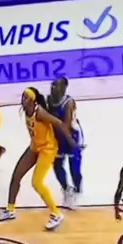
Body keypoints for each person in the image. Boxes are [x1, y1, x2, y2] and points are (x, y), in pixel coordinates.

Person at [0, 87, 75, 230]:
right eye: (22, 96)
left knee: (37, 182)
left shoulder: (40, 112)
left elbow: (58, 123)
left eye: (25, 97)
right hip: (35, 147)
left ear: (32, 100)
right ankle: (10, 210)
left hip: (48, 149)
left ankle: (56, 214)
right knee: (16, 176)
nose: (22, 100)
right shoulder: (27, 111)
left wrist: (70, 141)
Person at [48, 77, 84, 209]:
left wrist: (72, 143)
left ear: (64, 87)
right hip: (57, 136)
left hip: (72, 135)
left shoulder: (69, 103)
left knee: (74, 167)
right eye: (52, 85)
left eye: (56, 85)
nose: (53, 88)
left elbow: (66, 125)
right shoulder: (48, 100)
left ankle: (77, 190)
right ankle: (66, 189)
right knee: (57, 165)